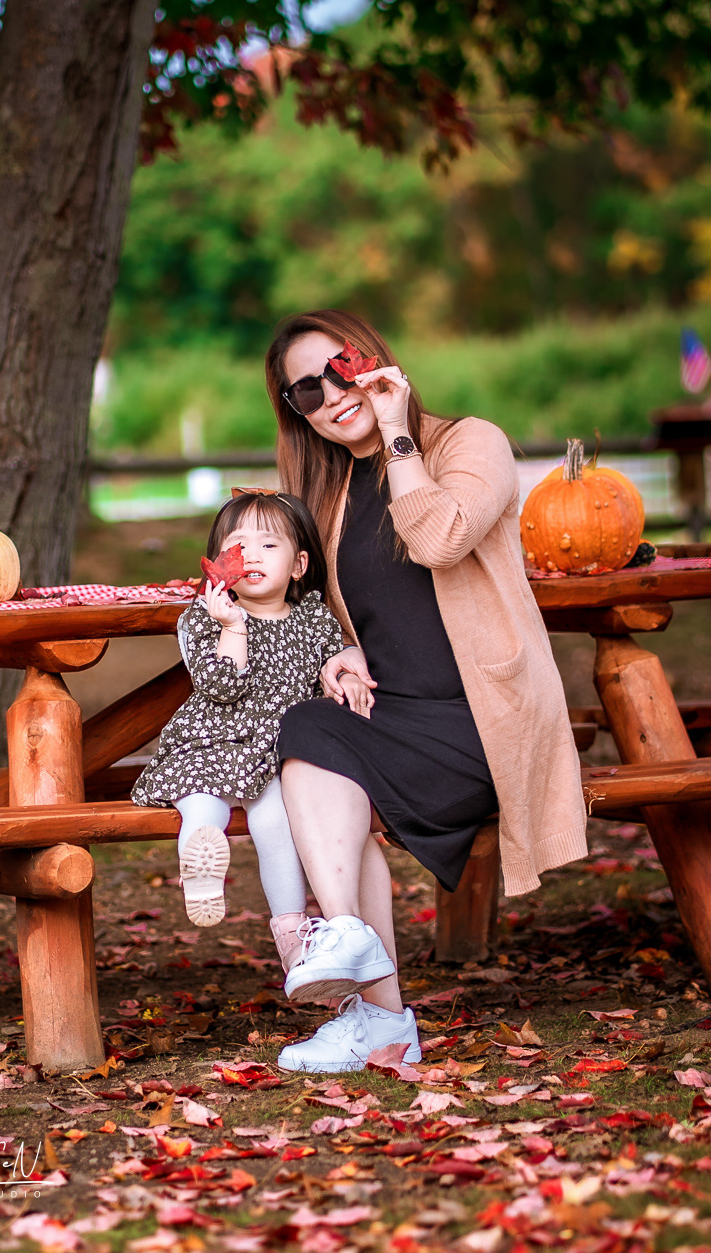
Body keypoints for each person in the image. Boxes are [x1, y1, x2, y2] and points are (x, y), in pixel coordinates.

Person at [264, 310, 587, 1073]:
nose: (330, 396)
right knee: (308, 731)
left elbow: (440, 539)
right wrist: (336, 651)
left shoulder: (469, 443)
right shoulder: (327, 491)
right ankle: (371, 993)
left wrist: (396, 432)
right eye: (306, 392)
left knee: (323, 765)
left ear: (372, 361)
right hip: (395, 720)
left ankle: (370, 998)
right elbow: (317, 608)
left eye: (340, 371)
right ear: (296, 412)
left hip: (484, 724)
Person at [131, 490, 377, 975]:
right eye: (238, 546)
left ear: (299, 565)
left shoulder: (312, 616)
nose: (252, 556)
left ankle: (293, 936)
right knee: (202, 803)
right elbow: (222, 687)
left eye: (268, 545)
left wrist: (348, 676)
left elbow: (334, 663)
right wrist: (233, 626)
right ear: (219, 563)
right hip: (211, 744)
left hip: (275, 756)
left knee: (275, 824)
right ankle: (200, 863)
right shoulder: (203, 618)